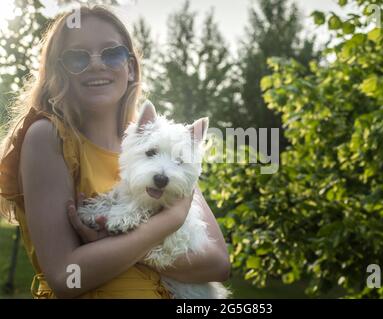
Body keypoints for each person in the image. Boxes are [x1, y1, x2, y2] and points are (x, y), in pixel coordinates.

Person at [0, 5, 230, 299]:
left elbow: (218, 265)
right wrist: (168, 222)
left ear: (131, 67)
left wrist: (112, 243)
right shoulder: (49, 136)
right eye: (77, 57)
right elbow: (66, 277)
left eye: (112, 53)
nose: (96, 64)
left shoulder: (162, 147)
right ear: (58, 70)